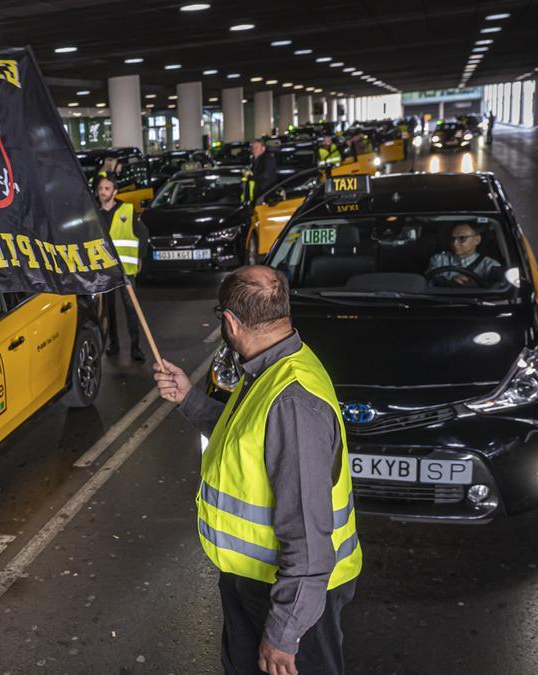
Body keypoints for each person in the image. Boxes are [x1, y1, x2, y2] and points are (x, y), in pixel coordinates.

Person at [154, 265, 361, 675]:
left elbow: (307, 532)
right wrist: (188, 399)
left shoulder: (292, 401)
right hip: (257, 581)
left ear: (230, 322)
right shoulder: (271, 368)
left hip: (289, 595)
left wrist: (285, 631)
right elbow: (244, 437)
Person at [96, 174, 144, 361]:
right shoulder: (95, 214)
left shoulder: (127, 210)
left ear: (114, 192)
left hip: (125, 271)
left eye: (107, 189)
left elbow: (143, 234)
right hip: (105, 272)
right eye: (101, 189)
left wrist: (140, 257)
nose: (103, 192)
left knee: (131, 310)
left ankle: (136, 348)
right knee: (109, 312)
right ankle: (113, 345)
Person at [426, 222, 502, 286]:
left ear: (477, 240)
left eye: (462, 238)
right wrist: (450, 282)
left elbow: (496, 289)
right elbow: (429, 283)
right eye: (452, 238)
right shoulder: (439, 260)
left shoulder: (490, 265)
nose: (454, 243)